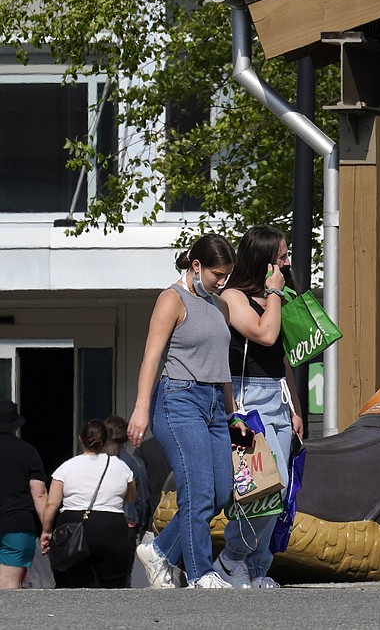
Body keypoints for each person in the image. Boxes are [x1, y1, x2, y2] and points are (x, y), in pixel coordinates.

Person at [127, 233, 240, 589]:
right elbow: (151, 357)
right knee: (198, 491)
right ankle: (200, 573)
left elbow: (222, 366)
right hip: (179, 400)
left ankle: (159, 549)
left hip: (214, 407)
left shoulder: (219, 306)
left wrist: (233, 412)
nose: (222, 283)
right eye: (216, 275)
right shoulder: (171, 300)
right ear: (196, 266)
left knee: (221, 492)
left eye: (226, 276)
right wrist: (141, 410)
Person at [212, 225, 304, 589]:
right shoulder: (233, 297)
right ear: (264, 261)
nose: (287, 262)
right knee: (266, 485)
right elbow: (265, 334)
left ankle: (255, 566)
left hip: (278, 397)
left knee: (279, 490)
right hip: (248, 397)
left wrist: (296, 408)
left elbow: (282, 358)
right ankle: (232, 557)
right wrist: (274, 293)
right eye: (282, 257)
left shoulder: (277, 298)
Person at [40, 420, 135, 588]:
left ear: (80, 439)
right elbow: (131, 497)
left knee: (73, 583)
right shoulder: (121, 467)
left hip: (72, 525)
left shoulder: (66, 467)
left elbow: (51, 504)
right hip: (111, 527)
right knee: (113, 585)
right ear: (106, 440)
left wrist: (46, 531)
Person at [0, 400, 47, 589]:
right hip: (17, 524)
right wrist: (47, 528)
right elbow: (40, 495)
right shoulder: (28, 452)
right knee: (9, 583)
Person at [104, 415, 150, 546]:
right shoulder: (135, 462)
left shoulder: (94, 460)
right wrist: (141, 524)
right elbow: (143, 497)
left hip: (97, 522)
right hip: (127, 524)